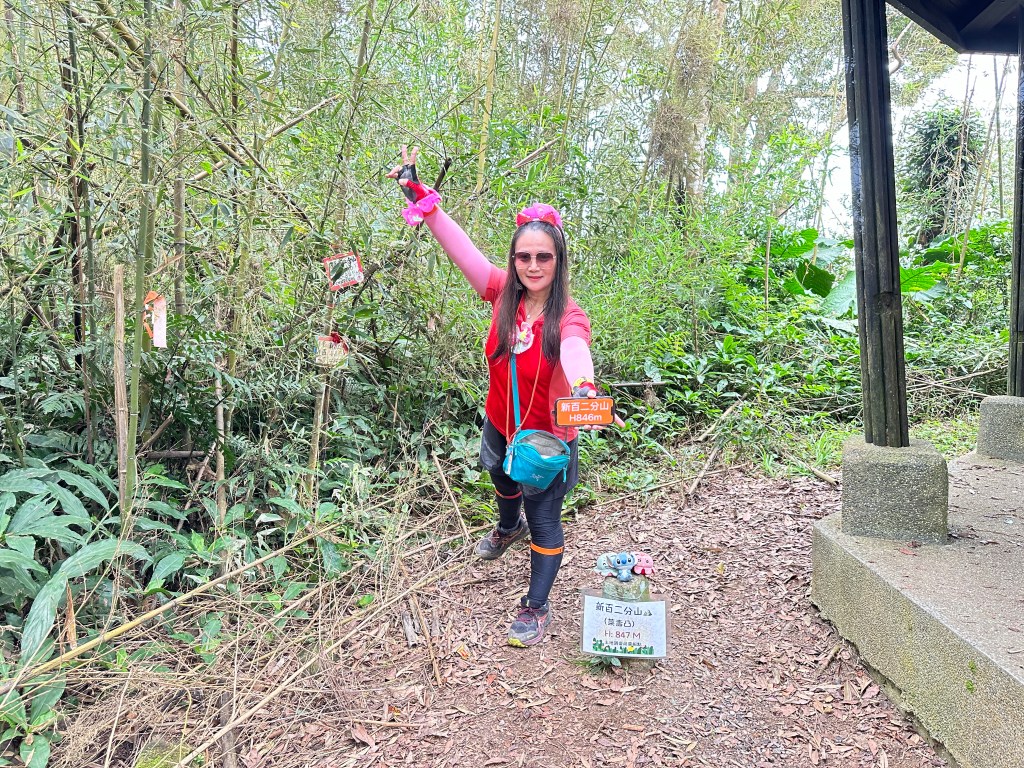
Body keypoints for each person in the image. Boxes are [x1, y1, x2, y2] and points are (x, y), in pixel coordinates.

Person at [387, 146, 620, 648]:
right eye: (524, 256)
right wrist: (417, 193)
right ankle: (507, 527)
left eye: (544, 257)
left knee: (545, 520)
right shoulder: (500, 293)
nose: (533, 265)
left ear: (559, 261)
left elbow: (576, 352)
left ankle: (536, 605)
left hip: (546, 439)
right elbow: (461, 250)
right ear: (514, 261)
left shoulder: (569, 316)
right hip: (502, 420)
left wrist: (585, 388)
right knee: (498, 474)